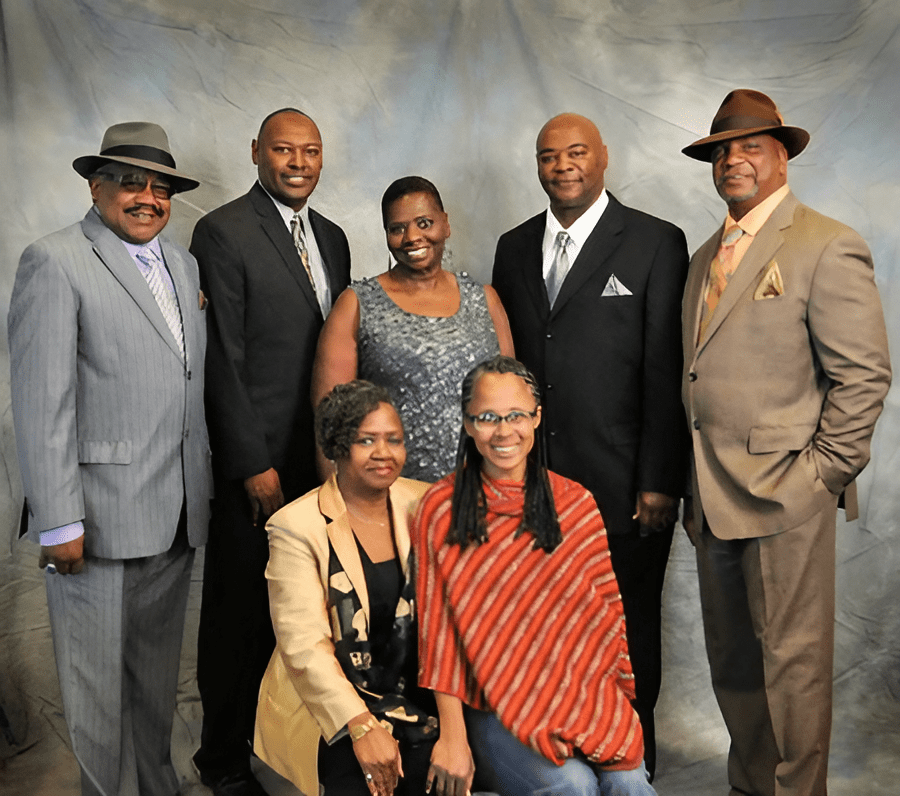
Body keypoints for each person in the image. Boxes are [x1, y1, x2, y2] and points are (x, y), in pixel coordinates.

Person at [681, 88, 891, 796]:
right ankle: (750, 789)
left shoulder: (826, 243)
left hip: (787, 495)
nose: (732, 160)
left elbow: (863, 378)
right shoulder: (706, 255)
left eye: (748, 147)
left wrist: (819, 478)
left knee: (792, 666)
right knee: (733, 663)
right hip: (711, 495)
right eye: (721, 151)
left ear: (782, 156)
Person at [7, 122, 212, 796]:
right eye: (130, 182)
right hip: (94, 522)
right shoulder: (54, 259)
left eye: (159, 187)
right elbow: (43, 404)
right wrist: (60, 521)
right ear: (96, 186)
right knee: (95, 694)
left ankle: (156, 786)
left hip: (175, 513)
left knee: (155, 687)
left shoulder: (182, 266)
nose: (147, 197)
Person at [490, 113, 689, 777]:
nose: (563, 165)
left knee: (626, 631)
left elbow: (665, 369)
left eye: (576, 152)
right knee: (546, 630)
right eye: (549, 155)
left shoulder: (657, 242)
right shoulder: (513, 247)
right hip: (536, 485)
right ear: (537, 165)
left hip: (626, 484)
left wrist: (659, 479)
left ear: (603, 157)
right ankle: (564, 766)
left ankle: (633, 769)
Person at [191, 108, 351, 795]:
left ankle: (294, 754)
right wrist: (251, 465)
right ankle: (223, 762)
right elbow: (221, 359)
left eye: (309, 151)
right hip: (256, 466)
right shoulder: (222, 231)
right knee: (239, 615)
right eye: (284, 149)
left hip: (319, 464)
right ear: (256, 151)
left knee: (310, 613)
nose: (297, 162)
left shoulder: (336, 237)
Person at [414, 355, 655, 796]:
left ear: (537, 417)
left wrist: (610, 706)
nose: (504, 431)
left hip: (582, 696)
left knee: (629, 784)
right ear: (467, 424)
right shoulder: (442, 509)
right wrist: (452, 737)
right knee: (574, 787)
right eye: (487, 418)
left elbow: (607, 621)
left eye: (516, 416)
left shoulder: (575, 503)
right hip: (493, 706)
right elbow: (439, 635)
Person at [254, 381, 436, 796]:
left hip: (416, 697)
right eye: (365, 440)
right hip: (329, 707)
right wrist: (360, 725)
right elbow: (302, 647)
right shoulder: (295, 526)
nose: (384, 453)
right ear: (336, 447)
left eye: (394, 440)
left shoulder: (425, 504)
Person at [312, 175, 514, 483]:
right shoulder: (356, 305)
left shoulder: (484, 299)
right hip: (391, 493)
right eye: (397, 228)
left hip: (482, 488)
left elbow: (513, 404)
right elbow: (329, 423)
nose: (411, 237)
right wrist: (339, 509)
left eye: (424, 223)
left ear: (445, 224)